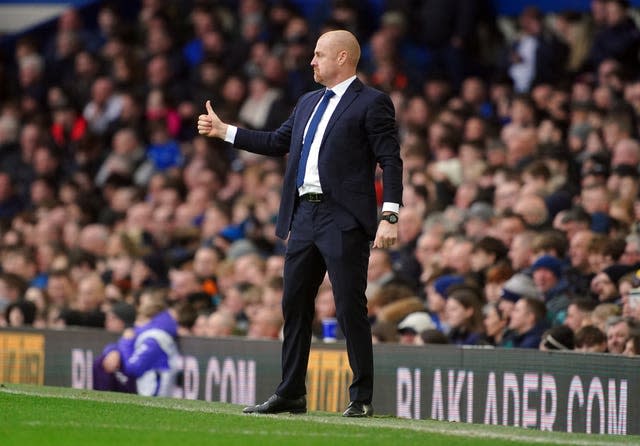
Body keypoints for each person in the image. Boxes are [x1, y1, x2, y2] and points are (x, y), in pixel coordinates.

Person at [198, 29, 402, 418]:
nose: (312, 61)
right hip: (304, 215)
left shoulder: (373, 103)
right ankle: (290, 392)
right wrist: (226, 132)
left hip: (343, 217)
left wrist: (389, 213)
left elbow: (390, 160)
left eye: (319, 54)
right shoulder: (308, 101)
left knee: (348, 306)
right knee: (293, 304)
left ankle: (360, 397)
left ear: (343, 58)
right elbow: (277, 141)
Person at [92, 288, 181, 397]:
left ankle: (103, 400)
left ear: (148, 319)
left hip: (154, 395)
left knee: (101, 364)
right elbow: (119, 347)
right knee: (103, 361)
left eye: (139, 320)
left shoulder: (154, 339)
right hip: (145, 387)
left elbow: (133, 368)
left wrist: (127, 342)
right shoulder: (149, 334)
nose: (136, 325)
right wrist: (113, 350)